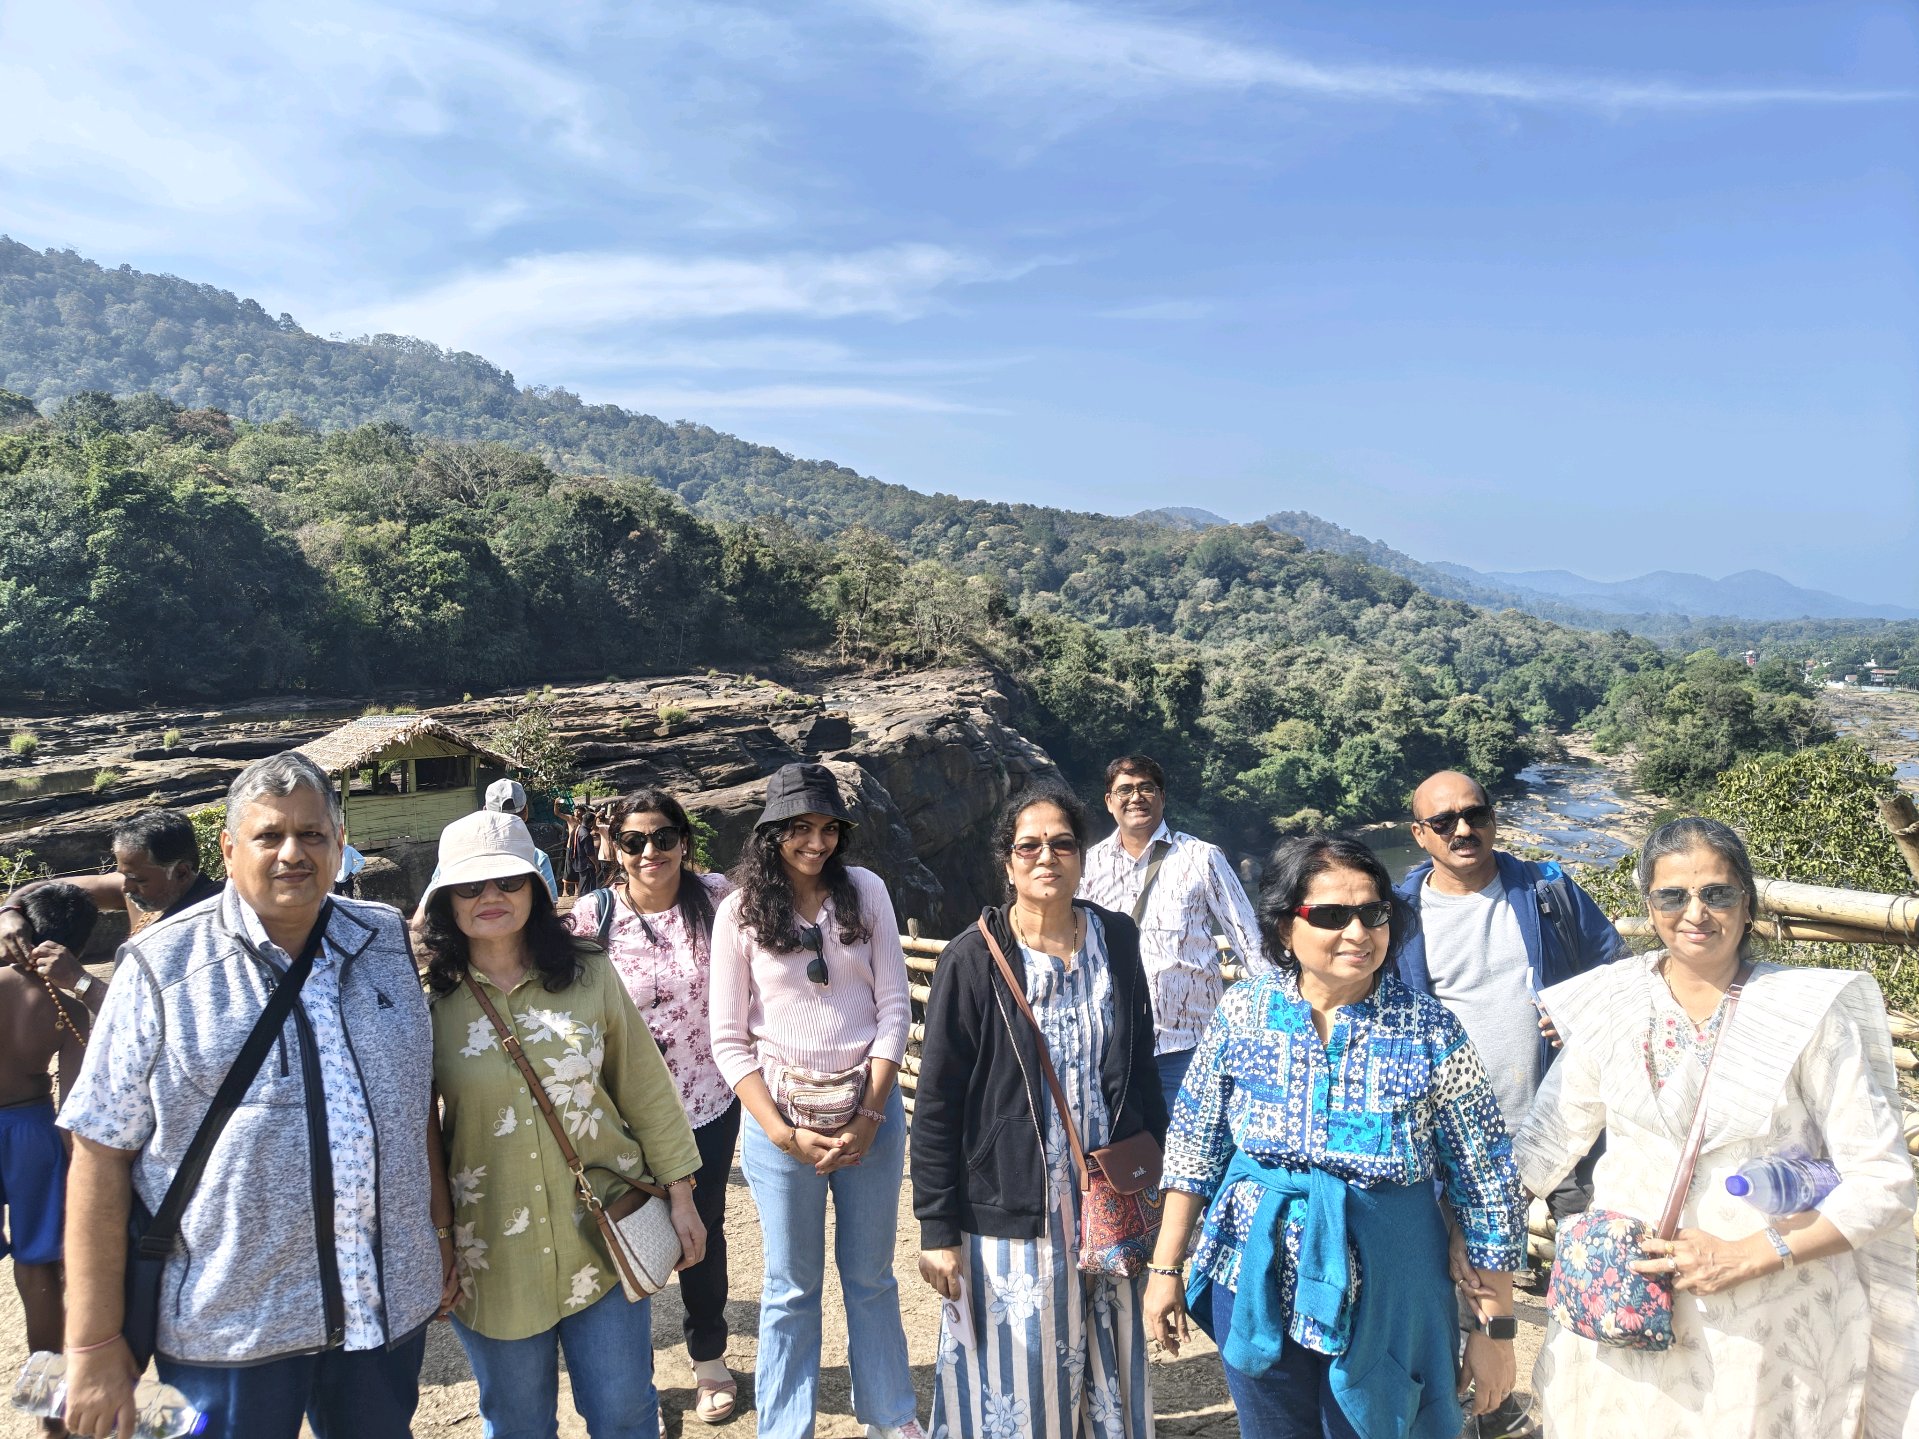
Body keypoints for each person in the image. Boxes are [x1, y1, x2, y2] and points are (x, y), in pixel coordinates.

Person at [57, 752, 447, 1439]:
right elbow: (98, 1150)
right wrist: (91, 1344)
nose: (293, 852)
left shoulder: (383, 939)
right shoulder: (160, 967)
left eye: (312, 834)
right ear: (230, 848)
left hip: (383, 1303)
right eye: (270, 835)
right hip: (228, 1323)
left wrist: (437, 1236)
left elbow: (412, 1107)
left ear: (338, 840)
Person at [1514, 817, 1919, 1437]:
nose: (1695, 912)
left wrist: (1753, 1255)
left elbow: (1884, 1181)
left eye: (1717, 893)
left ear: (1747, 902)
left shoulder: (1805, 1014)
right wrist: (1472, 1237)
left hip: (1770, 1330)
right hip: (1631, 1316)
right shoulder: (1614, 1002)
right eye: (1673, 896)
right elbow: (1544, 1147)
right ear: (1649, 905)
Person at [1144, 834, 1525, 1439]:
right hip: (1252, 1270)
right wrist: (1165, 1269)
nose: (1357, 931)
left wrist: (1495, 1330)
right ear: (1283, 929)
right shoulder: (1245, 1010)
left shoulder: (1428, 1029)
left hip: (1391, 1284)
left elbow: (1486, 1183)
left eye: (1372, 913)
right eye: (1329, 915)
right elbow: (1195, 1144)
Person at [421, 808, 705, 1439]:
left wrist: (682, 1196)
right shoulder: (428, 1001)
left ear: (536, 889)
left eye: (508, 882)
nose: (490, 897)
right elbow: (421, 1138)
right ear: (446, 899)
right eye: (470, 886)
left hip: (600, 1235)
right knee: (518, 1423)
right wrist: (437, 1237)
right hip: (491, 1249)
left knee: (624, 1411)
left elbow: (645, 1089)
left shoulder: (588, 973)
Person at [913, 784, 1167, 1439]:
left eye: (1061, 843)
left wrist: (1156, 1176)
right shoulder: (972, 958)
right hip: (1014, 1200)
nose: (1046, 856)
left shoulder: (1115, 936)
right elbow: (937, 1104)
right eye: (1029, 845)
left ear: (1081, 856)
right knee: (1018, 1371)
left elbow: (1140, 1062)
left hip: (1106, 1196)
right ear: (1007, 861)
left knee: (1110, 1360)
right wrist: (936, 1229)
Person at [708, 762, 922, 1439]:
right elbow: (728, 1037)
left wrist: (869, 1113)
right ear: (771, 832)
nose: (816, 841)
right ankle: (784, 1426)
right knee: (790, 1287)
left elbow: (893, 1008)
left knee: (871, 1276)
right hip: (783, 1123)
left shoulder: (867, 892)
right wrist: (779, 1133)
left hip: (871, 1116)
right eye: (799, 827)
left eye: (827, 827)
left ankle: (890, 1416)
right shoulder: (738, 912)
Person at [566, 788, 742, 1424]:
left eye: (663, 838)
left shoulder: (720, 900)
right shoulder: (594, 917)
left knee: (703, 1231)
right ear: (613, 847)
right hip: (622, 1115)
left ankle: (709, 1360)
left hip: (709, 1103)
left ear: (684, 841)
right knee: (621, 1233)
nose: (650, 853)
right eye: (634, 841)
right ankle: (628, 1376)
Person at [1077, 754, 1265, 1117]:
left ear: (1162, 797)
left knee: (1198, 1160)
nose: (1136, 797)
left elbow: (1249, 940)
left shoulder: (1201, 856)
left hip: (1192, 1047)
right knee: (1130, 1163)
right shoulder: (1089, 864)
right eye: (1125, 790)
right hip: (1115, 1049)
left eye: (1147, 788)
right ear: (1109, 801)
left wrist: (1285, 1012)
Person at [1, 883, 103, 1435]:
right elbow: (74, 1101)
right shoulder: (67, 1005)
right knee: (39, 1273)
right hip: (32, 1129)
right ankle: (50, 1417)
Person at [0, 807, 222, 965]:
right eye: (122, 875)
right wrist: (10, 912)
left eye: (138, 879)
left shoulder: (214, 921)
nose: (125, 887)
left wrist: (79, 981)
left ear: (181, 872)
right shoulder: (133, 889)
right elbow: (49, 886)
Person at [484, 777, 560, 898]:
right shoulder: (538, 859)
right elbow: (551, 911)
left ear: (485, 812)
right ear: (526, 812)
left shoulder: (454, 858)